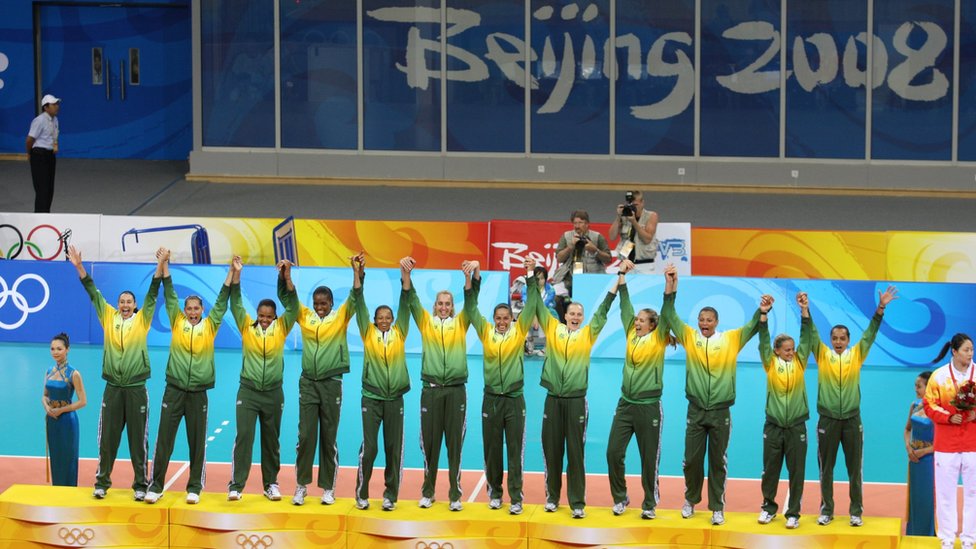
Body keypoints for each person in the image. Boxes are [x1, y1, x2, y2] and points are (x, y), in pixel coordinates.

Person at [662, 269, 769, 525]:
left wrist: (762, 310)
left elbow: (753, 327)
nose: (705, 323)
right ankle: (690, 500)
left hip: (721, 411)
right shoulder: (689, 336)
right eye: (701, 319)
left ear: (716, 322)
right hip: (696, 410)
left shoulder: (731, 339)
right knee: (691, 461)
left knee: (717, 463)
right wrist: (670, 287)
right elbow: (668, 315)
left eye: (709, 320)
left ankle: (717, 507)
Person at [68, 245, 162, 500]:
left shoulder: (143, 320)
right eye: (121, 301)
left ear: (134, 305)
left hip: (136, 389)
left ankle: (141, 485)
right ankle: (102, 482)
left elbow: (153, 295)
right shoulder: (108, 317)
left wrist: (160, 267)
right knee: (107, 439)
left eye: (129, 301)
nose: (124, 304)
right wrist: (79, 267)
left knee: (137, 442)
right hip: (112, 389)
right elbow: (93, 293)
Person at [144, 249, 235, 505]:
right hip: (173, 390)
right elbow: (169, 293)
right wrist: (165, 264)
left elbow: (222, 301)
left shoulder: (210, 325)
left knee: (197, 443)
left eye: (197, 308)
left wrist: (231, 273)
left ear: (202, 309)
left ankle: (194, 486)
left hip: (198, 393)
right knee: (164, 440)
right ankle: (156, 485)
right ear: (184, 310)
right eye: (189, 308)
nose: (193, 312)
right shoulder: (177, 321)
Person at [533, 264, 618, 519]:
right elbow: (536, 305)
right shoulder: (553, 328)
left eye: (580, 314)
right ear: (565, 315)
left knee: (576, 454)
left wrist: (617, 282)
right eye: (572, 313)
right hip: (553, 401)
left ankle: (577, 503)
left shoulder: (587, 335)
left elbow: (603, 311)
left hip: (576, 402)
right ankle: (552, 497)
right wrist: (531, 279)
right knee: (552, 451)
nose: (576, 317)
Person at [810, 285, 898, 527]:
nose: (838, 341)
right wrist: (805, 311)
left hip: (851, 421)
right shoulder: (822, 355)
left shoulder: (857, 355)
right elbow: (810, 333)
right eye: (835, 338)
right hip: (827, 420)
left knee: (854, 470)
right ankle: (827, 510)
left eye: (842, 338)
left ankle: (856, 511)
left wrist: (880, 309)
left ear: (848, 340)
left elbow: (870, 334)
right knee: (825, 469)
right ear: (830, 340)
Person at [464, 257, 540, 515]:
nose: (502, 321)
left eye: (506, 317)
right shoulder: (486, 332)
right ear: (493, 319)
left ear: (511, 318)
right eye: (498, 317)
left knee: (515, 450)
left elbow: (532, 304)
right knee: (492, 449)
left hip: (514, 400)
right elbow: (471, 308)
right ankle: (495, 493)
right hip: (491, 400)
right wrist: (474, 277)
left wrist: (529, 273)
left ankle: (516, 497)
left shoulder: (519, 332)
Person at [282, 263, 357, 506]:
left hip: (332, 384)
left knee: (328, 438)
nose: (319, 307)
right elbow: (289, 299)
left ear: (332, 303)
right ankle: (301, 486)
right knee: (305, 437)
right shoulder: (305, 317)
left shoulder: (341, 318)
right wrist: (287, 276)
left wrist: (357, 272)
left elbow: (356, 297)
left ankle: (328, 488)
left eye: (323, 303)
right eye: (316, 303)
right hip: (308, 384)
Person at [403, 256, 472, 511]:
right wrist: (406, 273)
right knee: (430, 445)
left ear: (453, 307)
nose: (444, 307)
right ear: (434, 306)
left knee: (455, 446)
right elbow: (411, 300)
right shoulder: (426, 323)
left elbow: (472, 302)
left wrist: (467, 279)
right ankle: (428, 492)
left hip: (456, 392)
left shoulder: (461, 323)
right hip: (430, 392)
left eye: (448, 303)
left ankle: (455, 495)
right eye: (440, 303)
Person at [226, 259, 299, 501]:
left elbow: (294, 308)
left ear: (275, 316)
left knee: (271, 440)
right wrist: (236, 275)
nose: (265, 319)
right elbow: (235, 302)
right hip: (248, 392)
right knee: (244, 436)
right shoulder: (247, 327)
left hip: (273, 393)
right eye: (261, 315)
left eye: (269, 316)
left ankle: (271, 484)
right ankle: (236, 485)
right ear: (256, 315)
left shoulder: (282, 327)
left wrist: (286, 278)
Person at [607, 262, 675, 519]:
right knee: (613, 452)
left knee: (649, 459)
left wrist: (669, 287)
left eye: (641, 320)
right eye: (636, 319)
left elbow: (668, 312)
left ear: (652, 325)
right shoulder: (630, 334)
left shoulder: (658, 338)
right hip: (625, 404)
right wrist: (622, 276)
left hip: (649, 407)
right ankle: (620, 497)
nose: (636, 322)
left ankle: (649, 503)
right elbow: (625, 305)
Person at [352, 254, 413, 511]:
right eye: (381, 317)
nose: (385, 319)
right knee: (371, 447)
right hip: (372, 398)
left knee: (392, 448)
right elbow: (359, 302)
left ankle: (390, 495)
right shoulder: (367, 333)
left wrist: (405, 277)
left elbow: (406, 303)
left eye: (388, 316)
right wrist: (358, 273)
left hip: (395, 399)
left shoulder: (401, 332)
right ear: (375, 320)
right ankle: (362, 493)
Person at [756, 292, 814, 529]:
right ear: (777, 351)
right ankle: (768, 508)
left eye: (793, 349)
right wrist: (763, 315)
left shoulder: (800, 363)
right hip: (774, 426)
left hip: (797, 425)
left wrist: (804, 311)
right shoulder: (770, 363)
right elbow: (763, 340)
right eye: (787, 349)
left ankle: (793, 513)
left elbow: (807, 338)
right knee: (770, 470)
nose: (791, 352)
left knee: (796, 470)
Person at [923, 334, 976, 549]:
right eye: (966, 350)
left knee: (973, 492)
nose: (970, 354)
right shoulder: (939, 376)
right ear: (954, 352)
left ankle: (969, 539)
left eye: (971, 349)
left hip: (973, 443)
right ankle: (946, 539)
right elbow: (929, 404)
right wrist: (947, 417)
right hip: (947, 443)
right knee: (946, 492)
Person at [43, 333, 87, 487]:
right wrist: (47, 407)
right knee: (56, 457)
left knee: (68, 459)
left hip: (67, 421)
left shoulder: (74, 374)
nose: (55, 352)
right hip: (52, 420)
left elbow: (83, 401)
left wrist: (61, 411)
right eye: (52, 349)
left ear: (67, 349)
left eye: (59, 349)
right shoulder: (49, 371)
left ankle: (69, 493)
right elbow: (44, 395)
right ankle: (57, 491)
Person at [552, 210, 612, 320]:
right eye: (575, 223)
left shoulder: (597, 237)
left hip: (591, 279)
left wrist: (595, 250)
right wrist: (571, 246)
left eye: (580, 223)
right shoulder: (566, 236)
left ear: (587, 223)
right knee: (554, 298)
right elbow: (559, 258)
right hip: (569, 278)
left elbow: (608, 259)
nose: (577, 226)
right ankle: (562, 326)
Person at [905, 370, 935, 536]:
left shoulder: (939, 409)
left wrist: (923, 451)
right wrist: (909, 449)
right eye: (915, 386)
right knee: (915, 497)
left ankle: (930, 533)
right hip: (914, 459)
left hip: (930, 460)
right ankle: (914, 531)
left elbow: (941, 442)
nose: (916, 389)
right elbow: (907, 430)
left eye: (919, 386)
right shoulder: (914, 406)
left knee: (928, 497)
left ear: (929, 387)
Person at [608, 190, 660, 274]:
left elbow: (647, 239)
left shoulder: (651, 216)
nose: (633, 207)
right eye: (631, 205)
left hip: (645, 264)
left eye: (635, 205)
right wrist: (618, 217)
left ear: (642, 203)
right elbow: (612, 236)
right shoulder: (624, 216)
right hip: (626, 263)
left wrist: (634, 222)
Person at [26, 94, 60, 213]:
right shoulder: (39, 121)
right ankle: (39, 216)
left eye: (57, 104)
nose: (57, 106)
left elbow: (54, 136)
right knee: (42, 189)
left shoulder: (55, 120)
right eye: (54, 104)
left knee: (50, 188)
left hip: (50, 156)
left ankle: (46, 214)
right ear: (46, 107)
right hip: (39, 155)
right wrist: (30, 154)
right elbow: (30, 139)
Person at [525, 265, 556, 357]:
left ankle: (547, 347)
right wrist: (534, 316)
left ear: (546, 279)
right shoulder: (526, 288)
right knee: (524, 319)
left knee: (549, 319)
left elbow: (544, 305)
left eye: (542, 278)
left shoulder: (551, 290)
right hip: (530, 312)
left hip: (546, 312)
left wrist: (537, 316)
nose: (539, 281)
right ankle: (529, 344)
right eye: (536, 278)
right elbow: (527, 302)